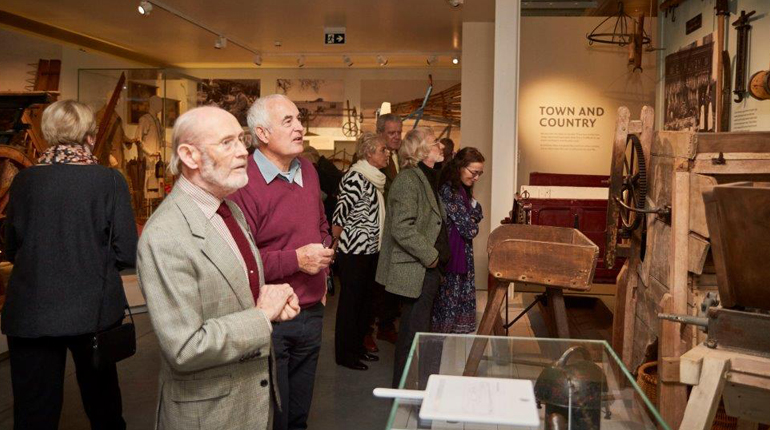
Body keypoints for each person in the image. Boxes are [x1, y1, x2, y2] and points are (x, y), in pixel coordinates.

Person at [137, 106, 300, 430]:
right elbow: (185, 348)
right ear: (189, 155)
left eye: (241, 140)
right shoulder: (166, 235)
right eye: (227, 143)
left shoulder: (230, 211)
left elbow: (231, 292)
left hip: (250, 403)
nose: (243, 152)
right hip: (210, 416)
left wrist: (266, 300)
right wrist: (261, 315)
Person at [1, 100, 138, 429]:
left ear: (48, 134)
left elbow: (10, 246)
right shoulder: (109, 182)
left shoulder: (24, 182)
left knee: (34, 414)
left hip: (31, 314)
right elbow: (128, 252)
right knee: (103, 409)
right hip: (92, 313)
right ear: (89, 135)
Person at [229, 94, 334, 430]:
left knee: (299, 413)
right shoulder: (242, 181)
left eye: (299, 119)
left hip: (311, 311)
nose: (300, 127)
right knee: (274, 414)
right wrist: (296, 260)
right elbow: (240, 261)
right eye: (288, 121)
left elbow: (321, 226)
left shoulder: (308, 170)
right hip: (270, 317)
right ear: (262, 133)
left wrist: (324, 275)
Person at [375, 127, 449, 388]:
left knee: (418, 333)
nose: (441, 146)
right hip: (417, 269)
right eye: (435, 142)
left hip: (426, 270)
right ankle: (407, 394)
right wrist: (431, 257)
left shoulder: (427, 177)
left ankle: (417, 390)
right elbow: (402, 228)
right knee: (412, 336)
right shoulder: (409, 179)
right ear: (421, 151)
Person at [331, 132, 390, 370]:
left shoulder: (374, 179)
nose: (387, 154)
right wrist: (333, 245)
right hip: (353, 252)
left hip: (370, 250)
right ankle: (345, 355)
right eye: (383, 150)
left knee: (365, 303)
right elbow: (340, 214)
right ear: (369, 153)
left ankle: (357, 348)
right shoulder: (355, 177)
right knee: (350, 305)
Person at [432, 147, 485, 334]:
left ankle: (449, 341)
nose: (477, 178)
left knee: (456, 300)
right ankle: (440, 345)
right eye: (474, 172)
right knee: (449, 303)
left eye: (480, 173)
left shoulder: (461, 190)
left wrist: (470, 217)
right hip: (452, 255)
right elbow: (469, 229)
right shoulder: (450, 191)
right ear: (460, 167)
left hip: (461, 252)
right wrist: (471, 219)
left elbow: (478, 212)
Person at [364, 113, 404, 351]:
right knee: (374, 286)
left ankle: (386, 327)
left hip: (397, 232)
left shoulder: (403, 157)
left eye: (400, 132)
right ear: (380, 133)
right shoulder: (372, 161)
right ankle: (367, 331)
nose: (397, 137)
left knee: (392, 285)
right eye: (392, 133)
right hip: (377, 233)